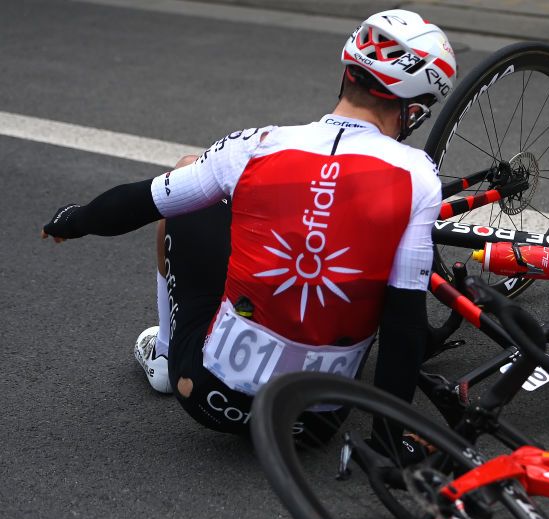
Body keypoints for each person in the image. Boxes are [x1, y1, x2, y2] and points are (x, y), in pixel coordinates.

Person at [40, 10, 457, 436]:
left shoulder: (256, 144)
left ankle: (165, 359)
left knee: (186, 183)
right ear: (414, 110)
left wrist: (75, 220)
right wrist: (389, 445)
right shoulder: (418, 175)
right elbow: (403, 325)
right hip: (313, 424)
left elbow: (139, 202)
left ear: (347, 75)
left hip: (207, 397)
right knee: (376, 257)